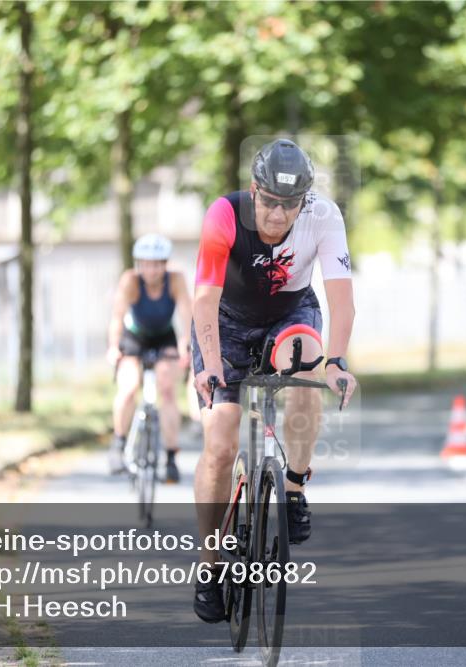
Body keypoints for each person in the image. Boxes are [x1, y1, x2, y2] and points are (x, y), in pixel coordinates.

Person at [189, 139, 358, 622]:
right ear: (253, 190)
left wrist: (338, 362)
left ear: (305, 200)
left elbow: (341, 300)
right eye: (269, 202)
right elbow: (204, 300)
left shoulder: (324, 217)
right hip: (223, 320)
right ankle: (209, 566)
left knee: (309, 366)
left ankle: (295, 486)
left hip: (290, 314)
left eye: (290, 205)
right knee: (220, 443)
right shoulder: (223, 214)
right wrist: (212, 366)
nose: (279, 215)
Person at [107, 234, 192, 483]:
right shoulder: (130, 281)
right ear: (138, 264)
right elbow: (116, 317)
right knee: (129, 386)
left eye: (156, 264)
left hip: (164, 336)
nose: (151, 269)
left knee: (167, 390)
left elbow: (187, 313)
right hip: (134, 337)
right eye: (145, 263)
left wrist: (185, 344)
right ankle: (119, 443)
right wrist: (113, 347)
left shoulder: (175, 280)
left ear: (164, 264)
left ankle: (171, 457)